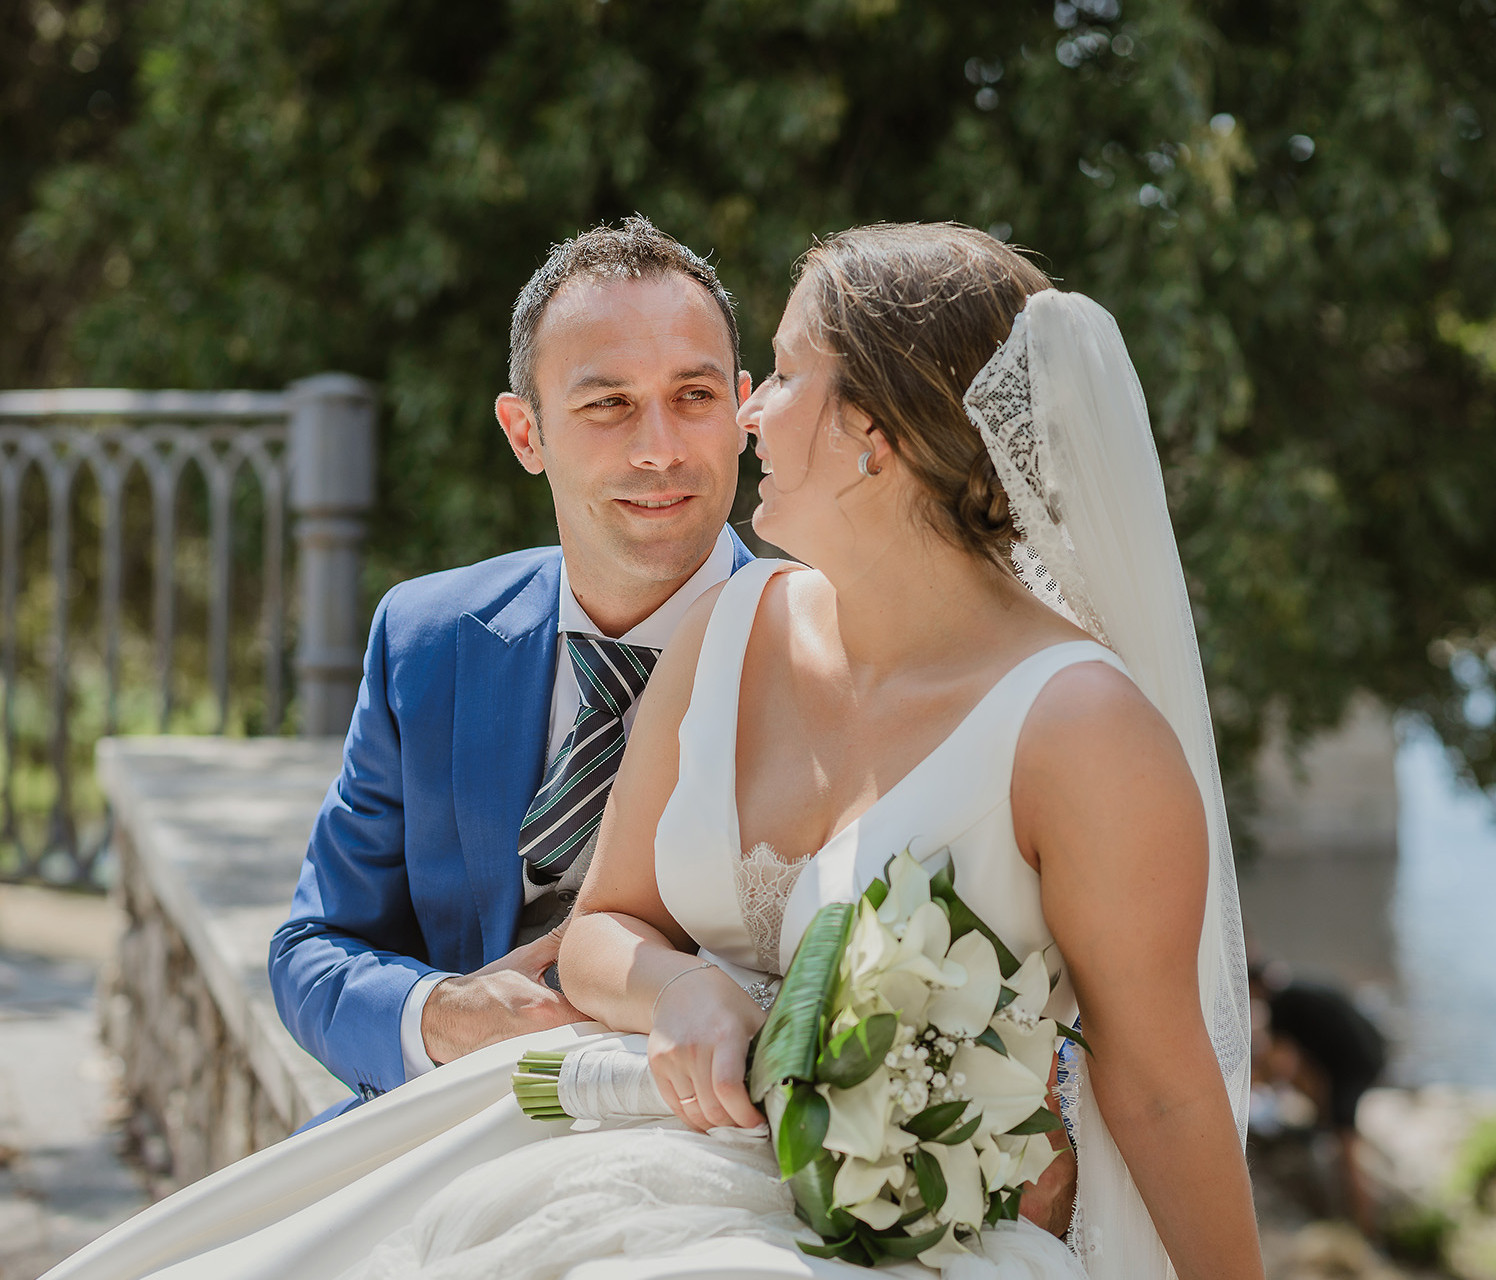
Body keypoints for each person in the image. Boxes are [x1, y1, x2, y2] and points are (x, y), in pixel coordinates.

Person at [48, 223, 1258, 1280]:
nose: (714, 428)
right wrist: (550, 1003)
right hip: (563, 1138)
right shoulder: (705, 628)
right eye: (608, 405)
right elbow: (449, 937)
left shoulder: (1078, 726)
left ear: (873, 435)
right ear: (527, 432)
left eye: (752, 381)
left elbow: (1156, 1083)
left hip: (857, 1215)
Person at [267, 214, 757, 1115]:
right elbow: (315, 947)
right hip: (452, 1129)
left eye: (694, 395)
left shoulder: (834, 651)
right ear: (525, 433)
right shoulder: (426, 638)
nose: (660, 446)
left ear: (742, 411)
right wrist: (446, 1015)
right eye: (608, 404)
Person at [1251, 968, 1388, 1234]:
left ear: (1254, 988)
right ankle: (1322, 1126)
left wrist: (1258, 1085)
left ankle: (1366, 1228)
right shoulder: (1296, 991)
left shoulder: (1281, 1005)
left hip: (1351, 1066)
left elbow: (1282, 1064)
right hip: (1368, 1053)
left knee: (1346, 1146)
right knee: (1317, 1092)